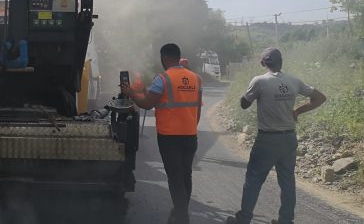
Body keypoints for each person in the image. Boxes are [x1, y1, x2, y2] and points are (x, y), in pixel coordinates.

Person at [226, 48, 326, 224]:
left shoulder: (259, 81)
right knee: (287, 182)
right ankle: (286, 221)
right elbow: (320, 98)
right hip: (288, 139)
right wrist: (298, 110)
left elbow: (244, 104)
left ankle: (243, 219)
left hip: (267, 140)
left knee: (254, 180)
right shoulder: (294, 81)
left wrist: (249, 93)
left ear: (264, 63)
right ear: (281, 62)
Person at [124, 43, 202, 224]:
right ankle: (180, 212)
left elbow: (146, 104)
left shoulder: (163, 79)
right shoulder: (196, 78)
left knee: (175, 177)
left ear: (164, 58)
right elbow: (196, 109)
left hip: (170, 137)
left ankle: (182, 218)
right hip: (190, 135)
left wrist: (131, 93)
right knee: (185, 175)